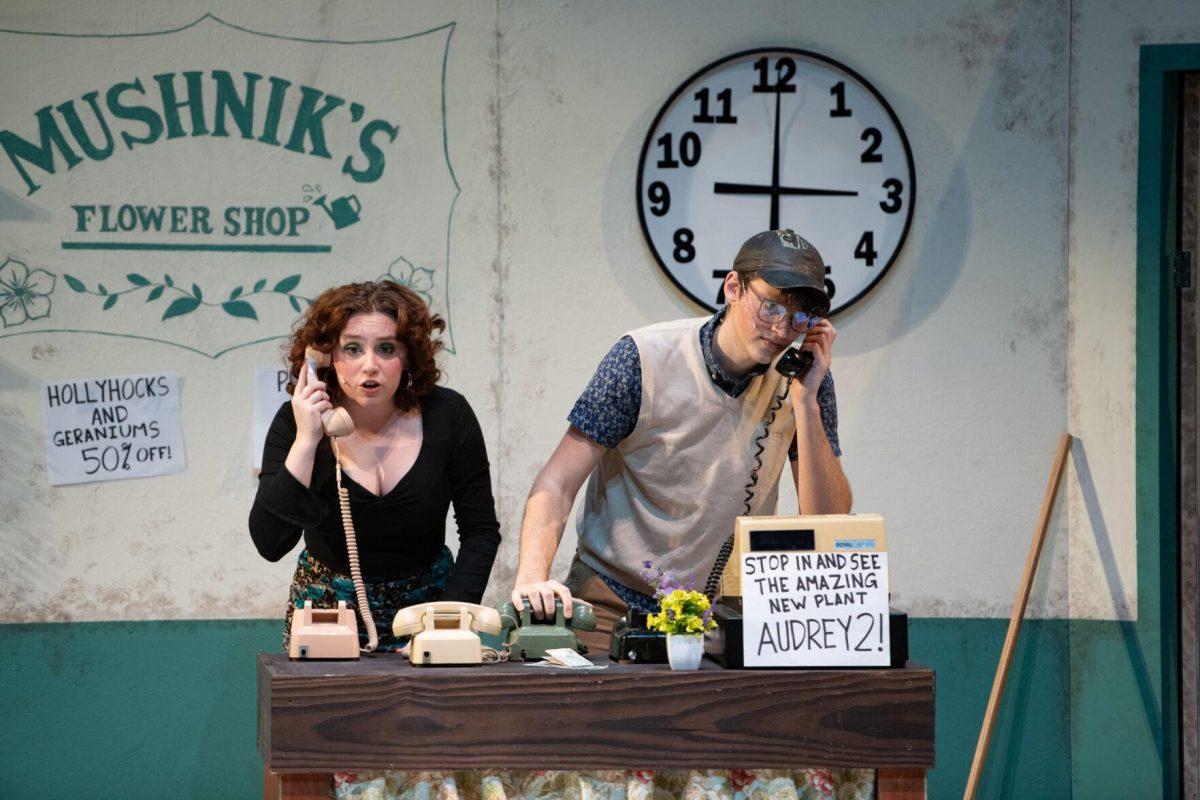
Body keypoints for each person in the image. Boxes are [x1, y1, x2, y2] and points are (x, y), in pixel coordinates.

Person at [510, 229, 852, 652]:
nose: (782, 329)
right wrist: (530, 575)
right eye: (770, 307)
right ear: (733, 287)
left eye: (800, 318)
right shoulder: (643, 357)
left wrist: (807, 402)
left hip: (721, 615)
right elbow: (556, 484)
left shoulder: (804, 381)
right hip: (612, 605)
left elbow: (829, 520)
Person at [250, 280, 500, 652]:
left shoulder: (448, 415)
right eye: (352, 349)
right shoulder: (296, 423)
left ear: (408, 356)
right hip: (328, 615)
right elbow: (270, 543)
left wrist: (448, 619)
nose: (370, 366)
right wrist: (306, 440)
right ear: (324, 359)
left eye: (386, 348)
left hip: (431, 608)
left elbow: (481, 531)